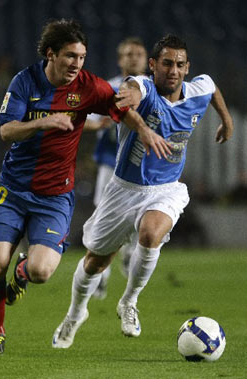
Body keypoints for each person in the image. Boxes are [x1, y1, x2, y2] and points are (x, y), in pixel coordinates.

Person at [0, 19, 170, 355]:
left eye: (82, 57)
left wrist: (145, 131)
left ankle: (23, 271)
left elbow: (119, 109)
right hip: (12, 189)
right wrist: (45, 122)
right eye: (70, 57)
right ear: (50, 54)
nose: (77, 64)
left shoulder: (87, 86)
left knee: (40, 271)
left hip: (54, 196)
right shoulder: (25, 82)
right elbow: (6, 131)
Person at [52, 34, 234, 349]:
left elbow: (212, 86)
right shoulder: (143, 86)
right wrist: (143, 127)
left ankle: (129, 302)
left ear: (187, 67)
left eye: (179, 64)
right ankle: (75, 313)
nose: (173, 70)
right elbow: (123, 100)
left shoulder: (197, 89)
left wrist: (226, 121)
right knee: (96, 261)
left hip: (166, 190)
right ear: (153, 65)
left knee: (151, 235)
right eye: (166, 63)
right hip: (123, 189)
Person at [85, 37, 148, 299]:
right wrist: (96, 124)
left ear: (147, 60)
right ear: (120, 59)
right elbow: (84, 118)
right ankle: (100, 275)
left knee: (142, 213)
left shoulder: (152, 89)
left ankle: (131, 251)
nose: (134, 58)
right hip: (111, 163)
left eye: (139, 54)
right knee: (104, 215)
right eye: (129, 54)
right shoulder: (108, 87)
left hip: (142, 163)